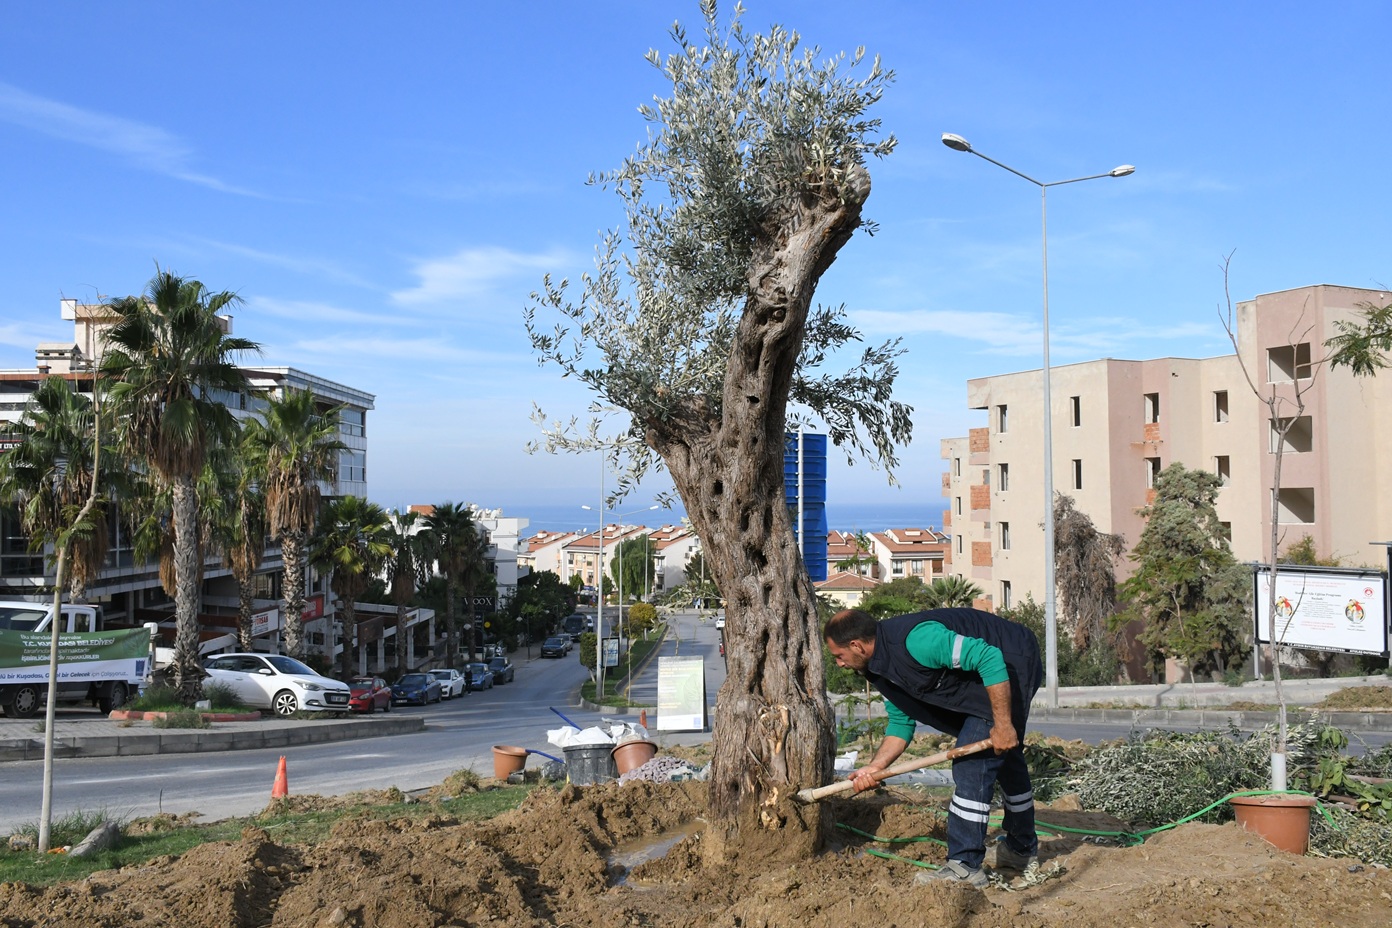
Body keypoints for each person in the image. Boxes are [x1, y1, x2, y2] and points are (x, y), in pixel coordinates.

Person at [824, 607, 1043, 887]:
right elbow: (901, 723)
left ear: (857, 646)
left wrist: (1002, 725)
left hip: (1010, 660)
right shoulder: (879, 669)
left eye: (839, 655)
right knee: (1005, 759)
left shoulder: (916, 641)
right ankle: (1021, 850)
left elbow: (989, 657)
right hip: (984, 675)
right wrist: (875, 767)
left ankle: (964, 867)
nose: (839, 664)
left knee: (972, 765)